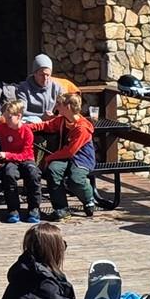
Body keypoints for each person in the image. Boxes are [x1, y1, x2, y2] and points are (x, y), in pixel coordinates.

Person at [32, 91, 98, 220]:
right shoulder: (62, 120)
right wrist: (25, 127)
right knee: (53, 171)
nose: (56, 107)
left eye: (59, 104)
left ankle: (88, 198)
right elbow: (46, 125)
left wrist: (49, 158)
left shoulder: (82, 128)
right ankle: (61, 208)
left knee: (76, 179)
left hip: (81, 157)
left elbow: (70, 151)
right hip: (64, 156)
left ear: (67, 107)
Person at [17, 54, 76, 118]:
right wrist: (41, 116)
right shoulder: (23, 88)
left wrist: (55, 115)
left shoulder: (57, 88)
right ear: (34, 73)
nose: (45, 78)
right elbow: (21, 111)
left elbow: (64, 107)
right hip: (32, 123)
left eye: (48, 75)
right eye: (42, 75)